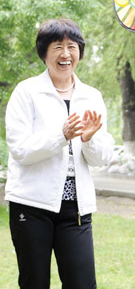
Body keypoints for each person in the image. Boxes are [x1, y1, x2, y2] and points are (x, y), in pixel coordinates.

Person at [5, 18, 114, 288]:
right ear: (44, 52)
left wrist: (88, 139)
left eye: (72, 47)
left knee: (82, 283)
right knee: (35, 282)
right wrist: (61, 135)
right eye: (58, 47)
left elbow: (101, 158)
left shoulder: (92, 96)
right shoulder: (26, 92)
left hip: (76, 208)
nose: (66, 54)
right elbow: (20, 149)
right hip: (31, 206)